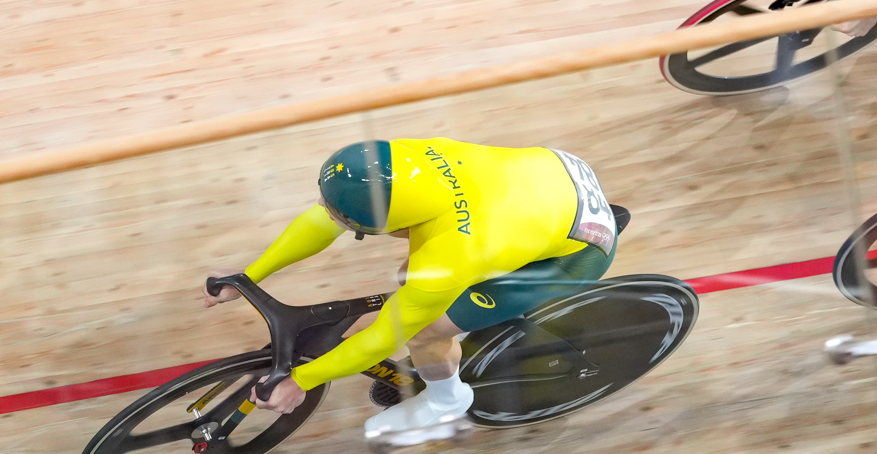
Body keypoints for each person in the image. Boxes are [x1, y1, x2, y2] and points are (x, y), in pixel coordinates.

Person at [203, 138, 620, 438]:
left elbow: (385, 337)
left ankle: (446, 402)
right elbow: (326, 217)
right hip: (554, 178)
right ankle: (460, 312)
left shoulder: (450, 253)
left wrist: (301, 381)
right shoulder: (400, 161)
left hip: (577, 251)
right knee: (413, 281)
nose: (330, 215)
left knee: (422, 331)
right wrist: (250, 276)